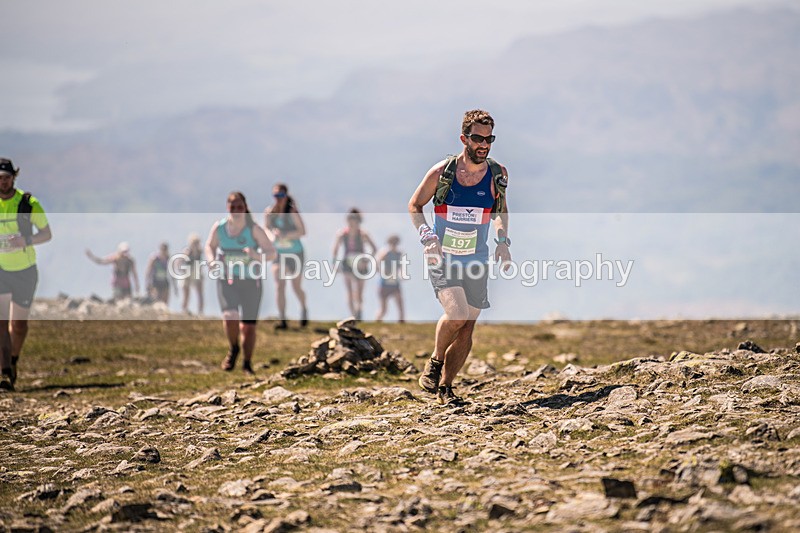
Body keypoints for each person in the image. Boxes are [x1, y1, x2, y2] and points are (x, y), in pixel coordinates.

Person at [408, 109, 511, 406]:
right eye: (478, 138)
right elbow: (415, 205)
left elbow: (500, 211)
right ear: (464, 138)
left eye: (489, 138)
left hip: (476, 259)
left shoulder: (497, 174)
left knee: (468, 325)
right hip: (443, 257)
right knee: (457, 314)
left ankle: (446, 386)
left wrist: (502, 241)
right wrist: (427, 237)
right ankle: (435, 361)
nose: (484, 144)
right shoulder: (443, 172)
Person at [205, 191, 276, 374]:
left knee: (249, 327)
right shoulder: (220, 228)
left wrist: (256, 255)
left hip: (251, 282)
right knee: (230, 317)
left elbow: (272, 253)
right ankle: (234, 348)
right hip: (227, 280)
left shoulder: (254, 229)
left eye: (239, 207)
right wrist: (212, 261)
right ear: (227, 207)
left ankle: (247, 363)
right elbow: (209, 246)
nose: (236, 210)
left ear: (245, 208)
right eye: (232, 207)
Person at [0, 158, 52, 391]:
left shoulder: (28, 203)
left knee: (18, 325)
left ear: (14, 177)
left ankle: (12, 361)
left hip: (24, 271)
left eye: (7, 178)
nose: (3, 182)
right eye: (0, 179)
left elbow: (46, 234)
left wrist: (25, 240)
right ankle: (3, 372)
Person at [264, 183, 308, 330]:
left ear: (286, 196)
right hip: (278, 253)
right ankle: (282, 318)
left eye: (281, 196)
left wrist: (286, 235)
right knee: (279, 284)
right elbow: (266, 229)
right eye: (275, 196)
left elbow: (302, 231)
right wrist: (273, 236)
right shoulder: (270, 213)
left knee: (296, 286)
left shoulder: (292, 212)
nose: (278, 199)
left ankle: (303, 308)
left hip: (295, 253)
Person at [332, 208, 376, 321]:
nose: (352, 224)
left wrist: (366, 261)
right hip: (347, 263)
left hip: (361, 263)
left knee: (360, 292)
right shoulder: (342, 234)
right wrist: (334, 264)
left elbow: (374, 249)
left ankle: (359, 310)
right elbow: (335, 250)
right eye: (350, 221)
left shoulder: (363, 234)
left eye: (354, 221)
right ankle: (353, 316)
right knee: (349, 291)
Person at [375, 235, 405, 323]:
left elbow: (401, 267)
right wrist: (381, 272)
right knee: (384, 309)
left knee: (400, 304)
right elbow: (378, 262)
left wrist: (401, 275)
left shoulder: (399, 254)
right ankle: (377, 321)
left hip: (395, 283)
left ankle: (401, 322)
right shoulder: (385, 253)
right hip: (384, 283)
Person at [180, 233, 204, 315]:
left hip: (197, 272)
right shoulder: (187, 251)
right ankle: (184, 309)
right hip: (187, 272)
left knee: (200, 292)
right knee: (186, 293)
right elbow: (180, 262)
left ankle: (200, 311)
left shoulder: (200, 252)